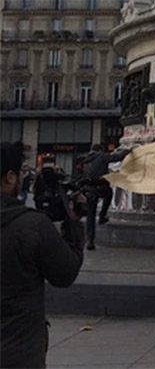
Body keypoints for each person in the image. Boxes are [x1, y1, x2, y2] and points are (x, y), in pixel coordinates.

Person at [1, 142, 85, 369]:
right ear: (9, 177)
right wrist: (73, 225)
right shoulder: (32, 226)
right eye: (20, 173)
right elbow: (65, 274)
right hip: (18, 353)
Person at [76, 144, 132, 251]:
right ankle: (102, 215)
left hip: (88, 189)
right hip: (100, 187)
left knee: (90, 216)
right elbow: (117, 157)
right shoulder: (101, 156)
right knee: (109, 194)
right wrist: (128, 151)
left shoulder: (85, 160)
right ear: (100, 150)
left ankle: (90, 241)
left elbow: (80, 174)